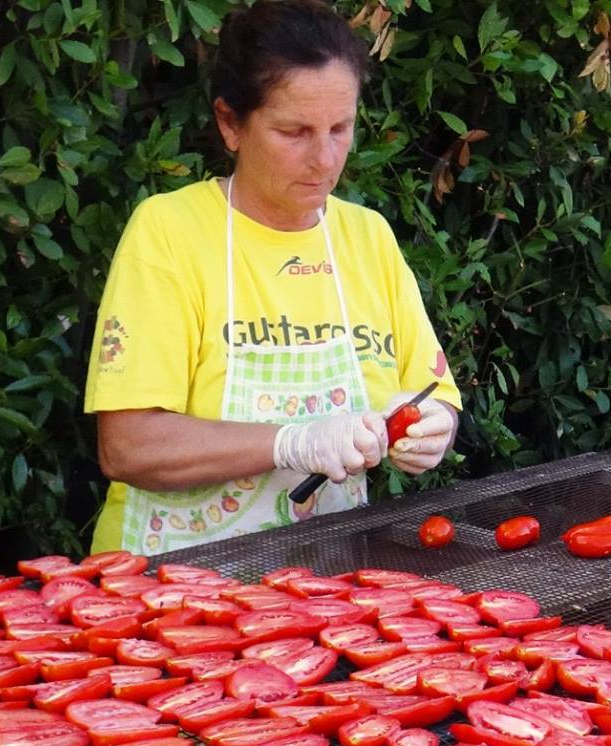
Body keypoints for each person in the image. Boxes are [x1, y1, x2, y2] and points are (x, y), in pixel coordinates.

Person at [83, 0, 462, 555]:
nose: (324, 158)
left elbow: (435, 393)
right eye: (294, 131)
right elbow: (129, 446)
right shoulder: (169, 232)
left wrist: (431, 427)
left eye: (341, 128)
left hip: (323, 587)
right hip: (166, 592)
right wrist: (292, 442)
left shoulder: (368, 238)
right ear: (230, 123)